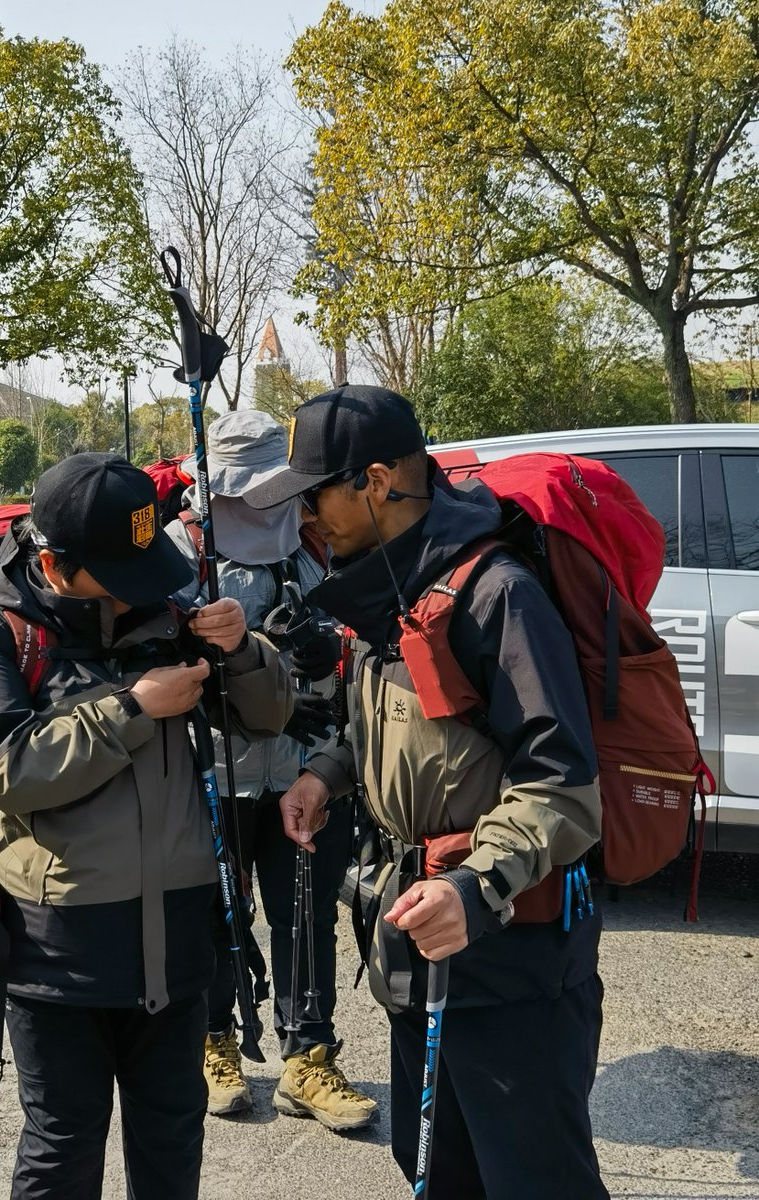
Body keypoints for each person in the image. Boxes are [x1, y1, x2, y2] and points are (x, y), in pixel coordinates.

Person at [244, 386, 610, 1199]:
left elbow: (564, 788)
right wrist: (326, 774)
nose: (304, 517)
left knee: (534, 1180)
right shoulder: (391, 585)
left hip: (507, 962)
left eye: (314, 493)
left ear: (376, 481)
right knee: (433, 1169)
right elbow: (395, 726)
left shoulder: (495, 592)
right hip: (411, 942)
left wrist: (475, 889)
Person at [0, 452, 291, 1200]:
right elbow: (10, 770)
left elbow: (266, 720)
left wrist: (243, 650)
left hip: (178, 939)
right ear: (53, 562)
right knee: (62, 1151)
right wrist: (133, 710)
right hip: (56, 951)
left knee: (172, 1139)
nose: (143, 588)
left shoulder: (167, 615)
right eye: (117, 569)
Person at [166, 409, 378, 1132]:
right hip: (201, 775)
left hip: (301, 770)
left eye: (275, 490)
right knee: (208, 916)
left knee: (308, 913)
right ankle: (212, 1041)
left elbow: (359, 651)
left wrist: (325, 649)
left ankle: (306, 1058)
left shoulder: (316, 540)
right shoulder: (176, 550)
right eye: (248, 492)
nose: (267, 506)